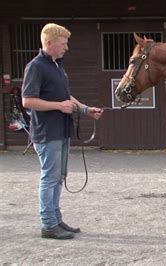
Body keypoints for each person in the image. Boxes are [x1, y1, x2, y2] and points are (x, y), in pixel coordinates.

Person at [22, 23, 103, 240]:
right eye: (63, 43)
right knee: (50, 178)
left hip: (61, 130)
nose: (66, 47)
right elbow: (27, 100)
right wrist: (58, 106)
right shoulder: (36, 67)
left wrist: (85, 109)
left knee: (58, 177)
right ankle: (48, 224)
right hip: (47, 132)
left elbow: (66, 97)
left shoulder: (57, 66)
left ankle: (56, 220)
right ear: (49, 43)